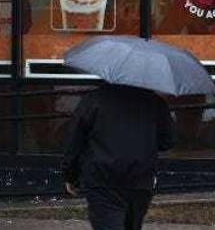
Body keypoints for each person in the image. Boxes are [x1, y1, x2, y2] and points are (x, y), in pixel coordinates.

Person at [62, 84, 177, 230]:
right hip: (140, 178)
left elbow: (75, 139)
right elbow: (169, 141)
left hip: (102, 177)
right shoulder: (154, 102)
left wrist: (70, 174)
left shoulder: (95, 99)